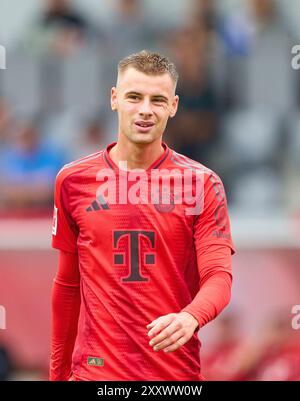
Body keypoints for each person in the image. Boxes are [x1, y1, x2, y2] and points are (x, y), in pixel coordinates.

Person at [50, 50, 235, 381]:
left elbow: (219, 278)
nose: (145, 110)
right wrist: (57, 373)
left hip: (172, 377)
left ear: (174, 106)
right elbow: (67, 284)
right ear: (114, 99)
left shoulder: (202, 184)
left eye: (158, 100)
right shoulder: (73, 180)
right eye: (134, 97)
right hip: (94, 375)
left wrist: (191, 317)